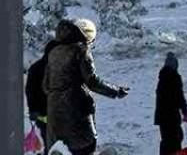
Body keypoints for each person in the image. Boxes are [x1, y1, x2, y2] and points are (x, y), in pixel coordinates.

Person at [43, 16, 128, 155]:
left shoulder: (53, 53)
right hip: (77, 112)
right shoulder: (81, 50)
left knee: (61, 149)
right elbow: (93, 82)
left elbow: (46, 86)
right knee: (85, 147)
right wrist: (116, 91)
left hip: (54, 115)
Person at [153, 51, 187, 155]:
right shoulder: (174, 77)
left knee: (166, 141)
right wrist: (185, 112)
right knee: (175, 140)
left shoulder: (162, 78)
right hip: (171, 116)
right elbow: (179, 96)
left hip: (161, 117)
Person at [25, 38, 53, 149]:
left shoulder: (35, 68)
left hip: (42, 116)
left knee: (48, 143)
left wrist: (32, 110)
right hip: (54, 116)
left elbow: (29, 91)